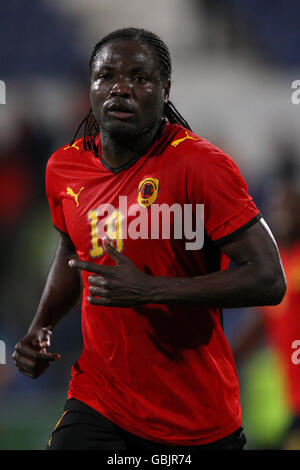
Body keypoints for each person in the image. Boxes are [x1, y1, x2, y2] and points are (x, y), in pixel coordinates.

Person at [12, 27, 286, 451]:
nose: (121, 87)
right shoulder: (64, 168)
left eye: (140, 77)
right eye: (107, 76)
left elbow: (269, 278)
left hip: (195, 416)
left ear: (165, 89)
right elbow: (71, 247)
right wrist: (40, 326)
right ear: (91, 87)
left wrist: (150, 289)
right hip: (100, 400)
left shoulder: (202, 166)